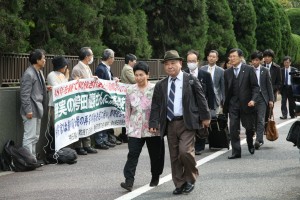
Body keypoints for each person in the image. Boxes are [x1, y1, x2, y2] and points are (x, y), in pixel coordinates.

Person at [149, 50, 211, 195]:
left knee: (185, 152)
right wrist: (153, 122)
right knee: (174, 155)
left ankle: (190, 178)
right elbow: (156, 105)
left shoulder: (190, 79)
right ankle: (179, 183)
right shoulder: (161, 84)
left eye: (173, 63)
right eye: (167, 64)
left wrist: (205, 117)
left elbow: (201, 99)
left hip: (187, 122)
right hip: (170, 124)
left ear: (180, 64)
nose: (170, 66)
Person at [120, 62, 165, 192]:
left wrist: (159, 124)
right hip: (135, 128)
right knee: (132, 154)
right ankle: (129, 181)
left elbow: (160, 109)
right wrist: (127, 128)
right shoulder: (130, 90)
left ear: (147, 75)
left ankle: (155, 176)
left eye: (141, 75)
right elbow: (127, 109)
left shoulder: (155, 88)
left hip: (152, 128)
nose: (138, 78)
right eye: (136, 75)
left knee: (155, 155)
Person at [223, 48, 259, 159]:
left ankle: (249, 143)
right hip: (233, 104)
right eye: (230, 56)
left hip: (247, 104)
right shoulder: (227, 72)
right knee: (233, 128)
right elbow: (226, 90)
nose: (232, 58)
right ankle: (236, 152)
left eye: (234, 56)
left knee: (249, 128)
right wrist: (225, 103)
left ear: (240, 57)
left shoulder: (248, 69)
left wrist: (253, 99)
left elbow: (255, 87)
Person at [184, 50, 215, 155]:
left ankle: (199, 146)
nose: (191, 63)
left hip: (202, 105)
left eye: (193, 61)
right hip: (188, 105)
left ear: (197, 62)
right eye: (189, 61)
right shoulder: (183, 74)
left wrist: (211, 107)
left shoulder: (205, 75)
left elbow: (210, 92)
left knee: (201, 127)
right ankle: (190, 145)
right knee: (189, 126)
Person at [20, 49, 47, 162]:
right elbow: (24, 94)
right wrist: (28, 110)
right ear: (37, 60)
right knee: (29, 136)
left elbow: (38, 88)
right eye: (43, 58)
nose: (45, 60)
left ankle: (32, 159)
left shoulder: (39, 71)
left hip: (38, 108)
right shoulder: (29, 73)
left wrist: (47, 88)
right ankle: (27, 160)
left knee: (35, 136)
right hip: (31, 109)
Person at [71, 47, 98, 155]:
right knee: (80, 121)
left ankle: (87, 144)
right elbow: (76, 84)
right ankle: (78, 146)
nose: (92, 57)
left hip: (88, 98)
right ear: (87, 56)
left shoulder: (87, 67)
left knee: (87, 121)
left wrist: (93, 78)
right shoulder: (77, 68)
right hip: (80, 99)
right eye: (91, 55)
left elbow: (88, 80)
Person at [94, 48, 121, 149]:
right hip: (102, 99)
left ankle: (105, 139)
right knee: (101, 120)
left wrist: (113, 80)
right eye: (113, 57)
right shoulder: (100, 69)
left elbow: (108, 80)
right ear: (109, 58)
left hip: (107, 99)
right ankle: (100, 140)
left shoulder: (107, 68)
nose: (114, 59)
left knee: (106, 119)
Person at [250, 51, 274, 150]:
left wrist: (271, 99)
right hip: (251, 98)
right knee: (253, 119)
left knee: (260, 119)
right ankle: (256, 137)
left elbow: (269, 86)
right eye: (253, 60)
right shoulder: (248, 70)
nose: (254, 62)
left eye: (257, 60)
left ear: (260, 61)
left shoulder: (265, 70)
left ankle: (258, 140)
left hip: (263, 97)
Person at [119, 53, 137, 143]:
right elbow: (134, 80)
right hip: (129, 94)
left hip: (127, 93)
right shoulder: (128, 69)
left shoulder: (126, 68)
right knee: (128, 114)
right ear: (130, 61)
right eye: (134, 61)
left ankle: (125, 134)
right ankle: (125, 135)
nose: (135, 62)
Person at [201, 50, 225, 115]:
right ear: (207, 57)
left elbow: (223, 87)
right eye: (210, 56)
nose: (211, 58)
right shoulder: (202, 69)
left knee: (213, 118)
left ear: (217, 58)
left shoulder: (221, 71)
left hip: (215, 98)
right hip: (204, 97)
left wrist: (223, 101)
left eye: (214, 57)